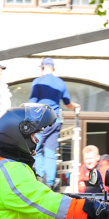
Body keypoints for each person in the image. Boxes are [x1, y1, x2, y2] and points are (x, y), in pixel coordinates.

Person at [29, 57, 81, 189]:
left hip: (41, 121)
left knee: (37, 149)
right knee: (50, 150)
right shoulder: (61, 83)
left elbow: (32, 103)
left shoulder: (38, 82)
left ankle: (40, 176)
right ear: (53, 68)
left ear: (43, 68)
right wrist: (76, 106)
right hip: (56, 120)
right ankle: (50, 182)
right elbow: (68, 104)